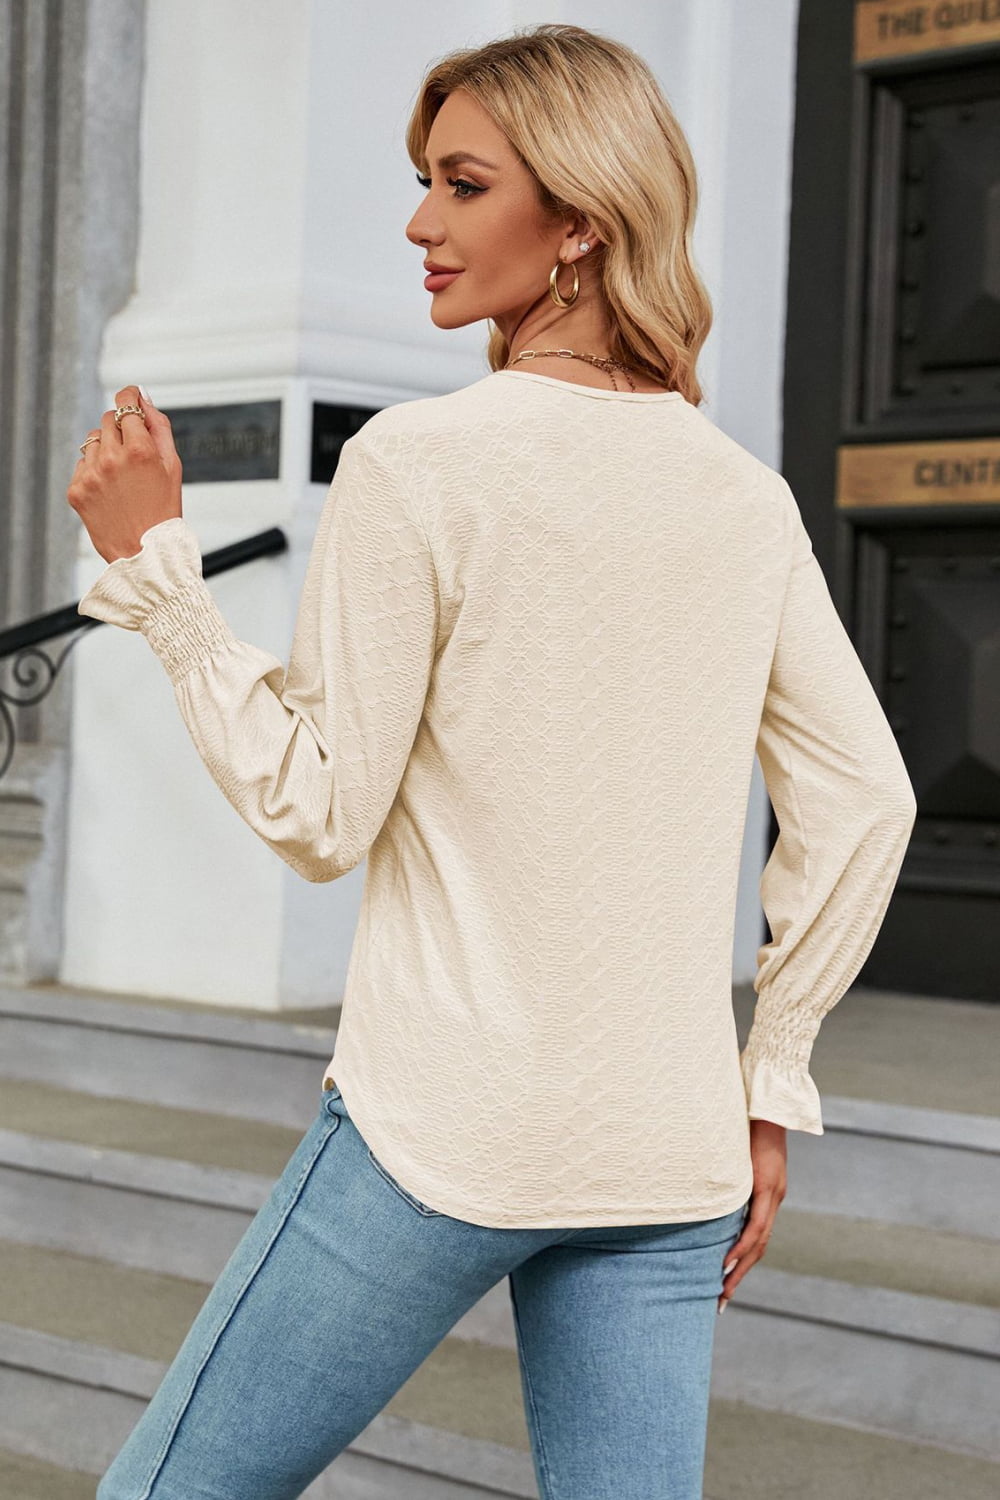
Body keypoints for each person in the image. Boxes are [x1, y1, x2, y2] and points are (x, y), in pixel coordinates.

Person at [68, 22, 917, 1500]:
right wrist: (769, 1077)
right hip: (666, 1155)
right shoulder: (745, 496)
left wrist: (161, 575)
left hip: (437, 1135)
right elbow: (867, 801)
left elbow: (319, 812)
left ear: (581, 219)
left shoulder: (420, 462)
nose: (420, 223)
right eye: (426, 181)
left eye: (463, 185)